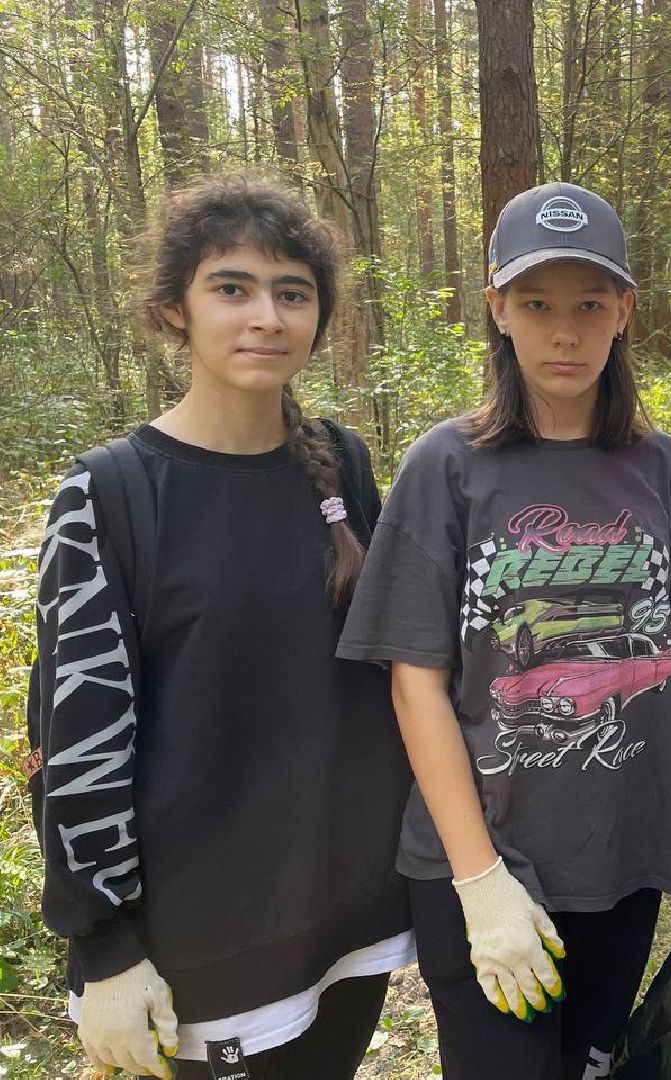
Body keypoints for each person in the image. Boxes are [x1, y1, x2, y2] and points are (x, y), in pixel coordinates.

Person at [25, 174, 413, 1079]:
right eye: (231, 288)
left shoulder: (342, 463)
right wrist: (104, 946)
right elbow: (75, 734)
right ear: (175, 311)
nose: (266, 317)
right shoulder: (112, 492)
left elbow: (400, 661)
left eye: (292, 293)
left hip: (345, 919)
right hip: (200, 944)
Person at [336, 182, 671, 1080]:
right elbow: (414, 681)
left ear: (625, 310)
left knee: (589, 1064)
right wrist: (478, 881)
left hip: (622, 852)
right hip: (487, 854)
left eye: (589, 304)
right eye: (537, 304)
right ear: (497, 307)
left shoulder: (665, 471)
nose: (565, 332)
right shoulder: (449, 465)